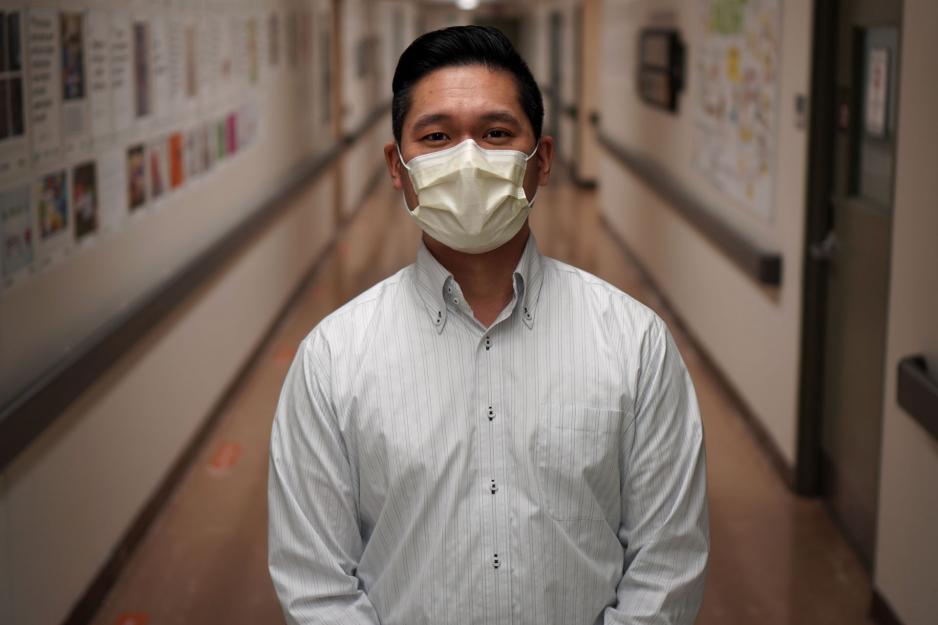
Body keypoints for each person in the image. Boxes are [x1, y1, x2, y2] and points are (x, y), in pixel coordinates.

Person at [268, 25, 708, 625]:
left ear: (541, 161)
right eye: (437, 136)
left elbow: (667, 568)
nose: (468, 158)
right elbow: (315, 585)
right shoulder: (332, 360)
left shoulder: (635, 345)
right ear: (397, 169)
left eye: (496, 133)